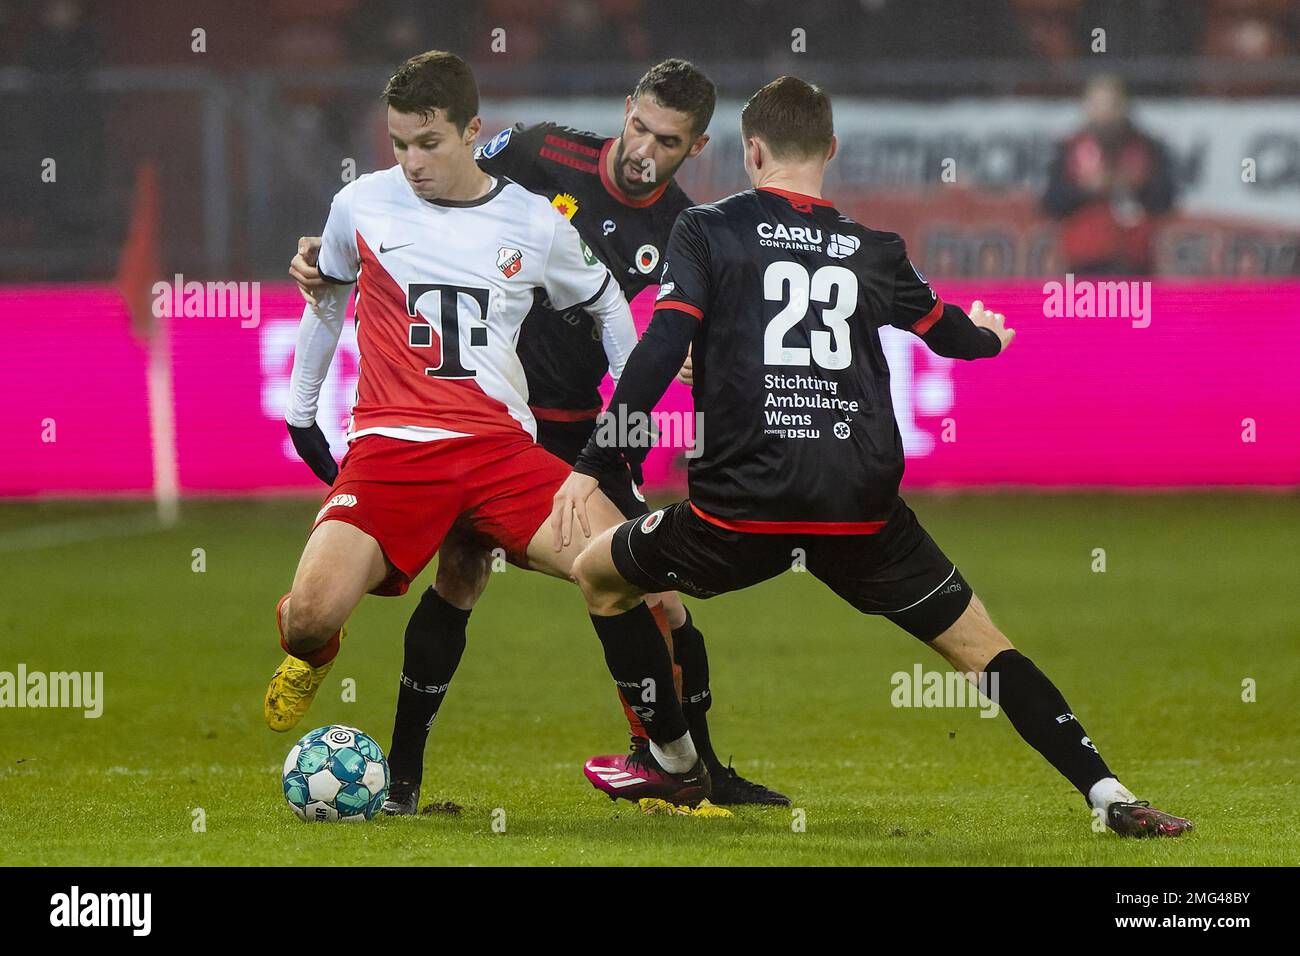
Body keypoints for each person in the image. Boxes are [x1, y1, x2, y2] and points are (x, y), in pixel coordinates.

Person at [551, 75, 1194, 837]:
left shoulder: (707, 230)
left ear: (750, 150)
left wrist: (597, 458)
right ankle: (1110, 794)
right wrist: (990, 335)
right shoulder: (872, 249)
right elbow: (953, 334)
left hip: (741, 508)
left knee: (600, 575)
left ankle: (675, 761)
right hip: (858, 506)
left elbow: (662, 346)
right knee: (984, 649)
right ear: (830, 149)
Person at [289, 59, 788, 812]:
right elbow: (441, 197)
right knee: (458, 577)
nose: (644, 148)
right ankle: (403, 781)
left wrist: (645, 403)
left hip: (568, 430)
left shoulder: (679, 228)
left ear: (695, 145)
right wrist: (324, 270)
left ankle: (693, 769)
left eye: (667, 139)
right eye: (640, 126)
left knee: (650, 590)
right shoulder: (537, 153)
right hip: (479, 410)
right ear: (626, 109)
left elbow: (649, 321)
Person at [263, 50, 649, 798]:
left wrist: (625, 415)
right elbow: (330, 298)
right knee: (309, 618)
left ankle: (668, 762)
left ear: (472, 130)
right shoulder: (361, 205)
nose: (411, 161)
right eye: (399, 143)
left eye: (428, 143)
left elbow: (606, 303)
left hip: (499, 448)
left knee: (619, 563)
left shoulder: (532, 222)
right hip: (392, 446)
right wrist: (302, 411)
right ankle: (312, 653)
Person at [1042, 74, 1175, 275]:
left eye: (1111, 105)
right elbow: (1051, 203)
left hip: (1136, 265)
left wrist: (1132, 186)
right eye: (1097, 105)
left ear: (1124, 106)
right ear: (1086, 107)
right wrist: (1086, 190)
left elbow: (1165, 200)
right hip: (1083, 267)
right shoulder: (1069, 149)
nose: (1104, 113)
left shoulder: (1148, 149)